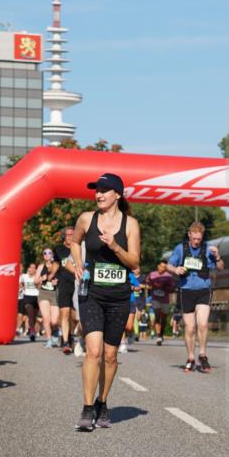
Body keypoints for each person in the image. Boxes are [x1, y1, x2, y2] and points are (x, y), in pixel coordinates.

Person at [70, 173, 141, 431]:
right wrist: (78, 262)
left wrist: (115, 247)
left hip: (119, 295)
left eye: (104, 190)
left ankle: (102, 402)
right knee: (95, 350)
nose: (98, 194)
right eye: (96, 190)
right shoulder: (87, 219)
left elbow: (135, 263)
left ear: (117, 195)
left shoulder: (130, 224)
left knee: (110, 356)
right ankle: (87, 408)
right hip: (92, 293)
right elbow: (75, 242)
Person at [168, 222, 224, 373]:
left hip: (203, 290)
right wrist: (176, 269)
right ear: (189, 235)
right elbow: (169, 265)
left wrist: (217, 256)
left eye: (199, 239)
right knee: (190, 327)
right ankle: (191, 357)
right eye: (194, 238)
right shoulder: (181, 248)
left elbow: (220, 267)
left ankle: (203, 355)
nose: (196, 242)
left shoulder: (208, 248)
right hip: (186, 291)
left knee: (203, 324)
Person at [54, 226, 78, 354]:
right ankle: (65, 341)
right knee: (65, 313)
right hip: (64, 283)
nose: (71, 237)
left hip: (77, 284)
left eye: (73, 235)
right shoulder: (58, 249)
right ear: (63, 236)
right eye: (68, 235)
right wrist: (50, 277)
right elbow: (55, 265)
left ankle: (71, 335)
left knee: (75, 317)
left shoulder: (78, 248)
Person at [146, 260, 177, 345]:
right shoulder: (152, 274)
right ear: (158, 266)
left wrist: (166, 288)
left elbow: (173, 288)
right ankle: (158, 336)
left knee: (163, 319)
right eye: (161, 266)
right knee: (157, 315)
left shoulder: (168, 277)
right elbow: (147, 281)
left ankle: (161, 333)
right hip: (155, 298)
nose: (162, 268)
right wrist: (151, 283)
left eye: (164, 267)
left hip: (165, 300)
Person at [36, 248, 60, 346]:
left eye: (49, 253)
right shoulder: (41, 267)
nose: (47, 254)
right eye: (44, 253)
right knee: (46, 319)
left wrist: (57, 282)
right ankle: (49, 340)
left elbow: (62, 278)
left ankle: (55, 330)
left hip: (55, 294)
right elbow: (35, 281)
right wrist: (42, 278)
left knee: (54, 321)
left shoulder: (57, 266)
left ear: (52, 254)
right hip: (43, 293)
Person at [19, 263, 39, 341]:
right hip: (27, 297)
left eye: (34, 268)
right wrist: (22, 287)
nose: (32, 269)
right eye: (30, 267)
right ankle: (32, 331)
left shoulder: (38, 277)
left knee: (34, 316)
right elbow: (20, 284)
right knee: (30, 314)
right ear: (28, 269)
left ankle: (31, 330)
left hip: (36, 297)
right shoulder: (24, 276)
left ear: (36, 270)